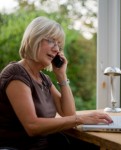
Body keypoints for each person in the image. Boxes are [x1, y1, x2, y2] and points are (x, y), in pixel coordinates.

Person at [0, 16, 113, 150]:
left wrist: (61, 75)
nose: (56, 49)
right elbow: (32, 126)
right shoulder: (16, 73)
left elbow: (68, 114)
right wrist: (81, 119)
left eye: (59, 45)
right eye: (51, 41)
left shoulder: (43, 79)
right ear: (33, 39)